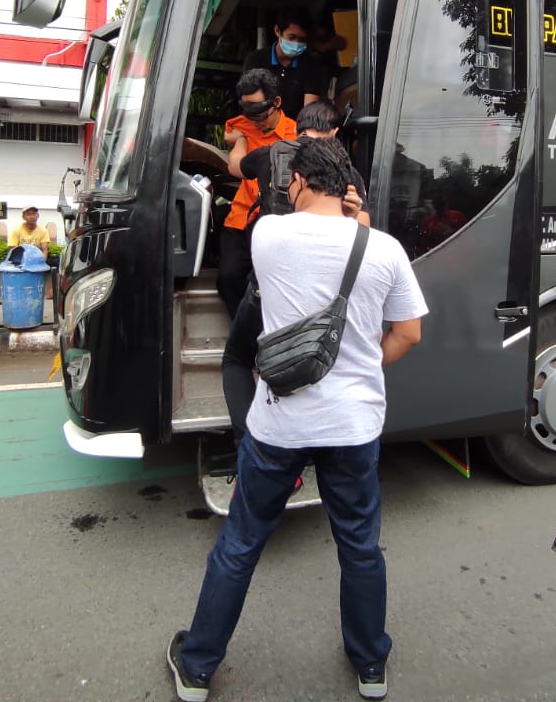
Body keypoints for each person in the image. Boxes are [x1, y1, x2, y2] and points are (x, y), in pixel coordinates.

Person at [167, 137, 427, 702]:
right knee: (360, 546)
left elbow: (289, 242)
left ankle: (196, 667)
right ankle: (370, 666)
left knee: (239, 543)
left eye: (291, 183)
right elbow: (408, 333)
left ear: (300, 184)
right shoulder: (382, 249)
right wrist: (360, 362)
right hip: (353, 425)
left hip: (278, 426)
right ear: (348, 189)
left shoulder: (268, 236)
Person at [221, 101, 369, 443]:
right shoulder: (345, 169)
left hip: (268, 287)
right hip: (323, 290)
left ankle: (251, 441)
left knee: (236, 359)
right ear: (334, 132)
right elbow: (364, 227)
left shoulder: (269, 154)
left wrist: (241, 139)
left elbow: (234, 168)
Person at [216, 69, 296, 317]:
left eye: (259, 113)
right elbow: (230, 132)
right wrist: (240, 139)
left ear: (276, 102)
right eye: (248, 112)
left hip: (275, 222)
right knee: (227, 278)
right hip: (241, 217)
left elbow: (237, 165)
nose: (254, 120)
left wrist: (240, 144)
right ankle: (243, 331)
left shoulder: (293, 134)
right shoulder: (242, 124)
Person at [240, 5, 330, 119]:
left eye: (302, 40)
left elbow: (309, 113)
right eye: (291, 37)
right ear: (278, 31)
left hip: (295, 130)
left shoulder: (311, 66)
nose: (296, 43)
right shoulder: (256, 61)